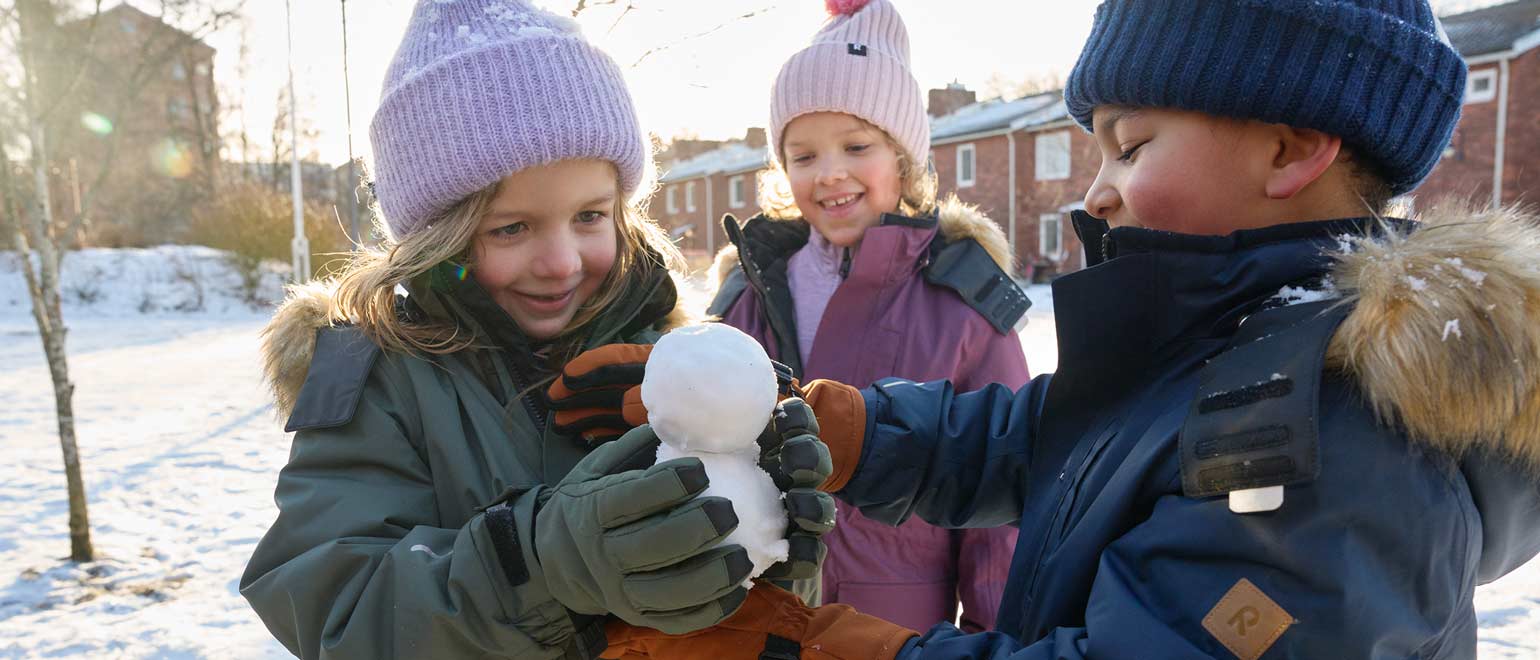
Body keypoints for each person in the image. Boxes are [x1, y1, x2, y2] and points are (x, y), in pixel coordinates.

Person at [586, 0, 1540, 657]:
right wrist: (809, 424)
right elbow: (1039, 438)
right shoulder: (1233, 349)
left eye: (1131, 145)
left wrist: (823, 648)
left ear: (1289, 150)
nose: (1097, 190)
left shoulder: (1330, 435)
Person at [239, 2, 833, 658]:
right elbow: (337, 612)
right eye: (511, 228)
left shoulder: (666, 357)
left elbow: (758, 630)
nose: (560, 263)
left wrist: (763, 544)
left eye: (589, 216)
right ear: (439, 239)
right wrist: (539, 566)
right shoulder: (381, 378)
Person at [701, 0, 1028, 632]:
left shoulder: (962, 301)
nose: (830, 174)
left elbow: (1002, 495)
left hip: (896, 628)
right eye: (803, 156)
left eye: (857, 146)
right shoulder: (750, 290)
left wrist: (999, 640)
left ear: (902, 155)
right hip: (756, 620)